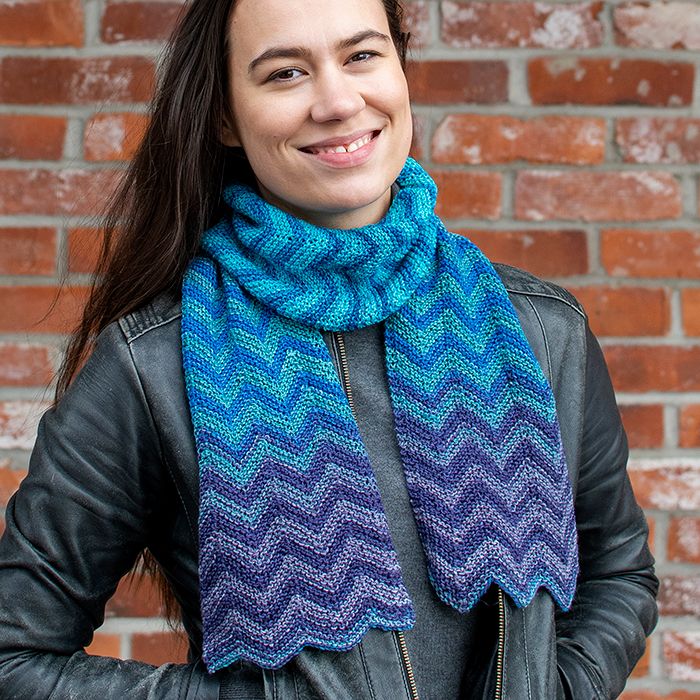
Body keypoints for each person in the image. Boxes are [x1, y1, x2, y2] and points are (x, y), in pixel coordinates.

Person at [0, 0, 657, 697]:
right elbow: (15, 654)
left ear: (401, 69)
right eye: (286, 73)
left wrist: (557, 689)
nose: (338, 101)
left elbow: (618, 573)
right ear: (225, 116)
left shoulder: (542, 331)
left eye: (362, 55)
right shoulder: (152, 366)